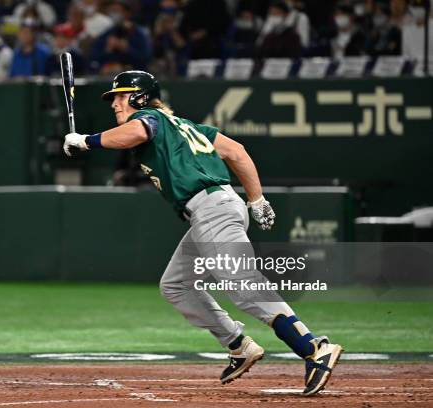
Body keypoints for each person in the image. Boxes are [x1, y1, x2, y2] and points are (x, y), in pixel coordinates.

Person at [62, 70, 343, 396]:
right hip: (215, 210)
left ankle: (313, 347)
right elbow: (236, 151)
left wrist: (86, 141)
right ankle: (238, 345)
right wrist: (256, 199)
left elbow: (136, 133)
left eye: (121, 96)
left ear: (140, 97)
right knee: (176, 285)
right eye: (113, 98)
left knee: (243, 286)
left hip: (213, 210)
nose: (114, 103)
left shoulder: (149, 118)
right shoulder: (188, 127)